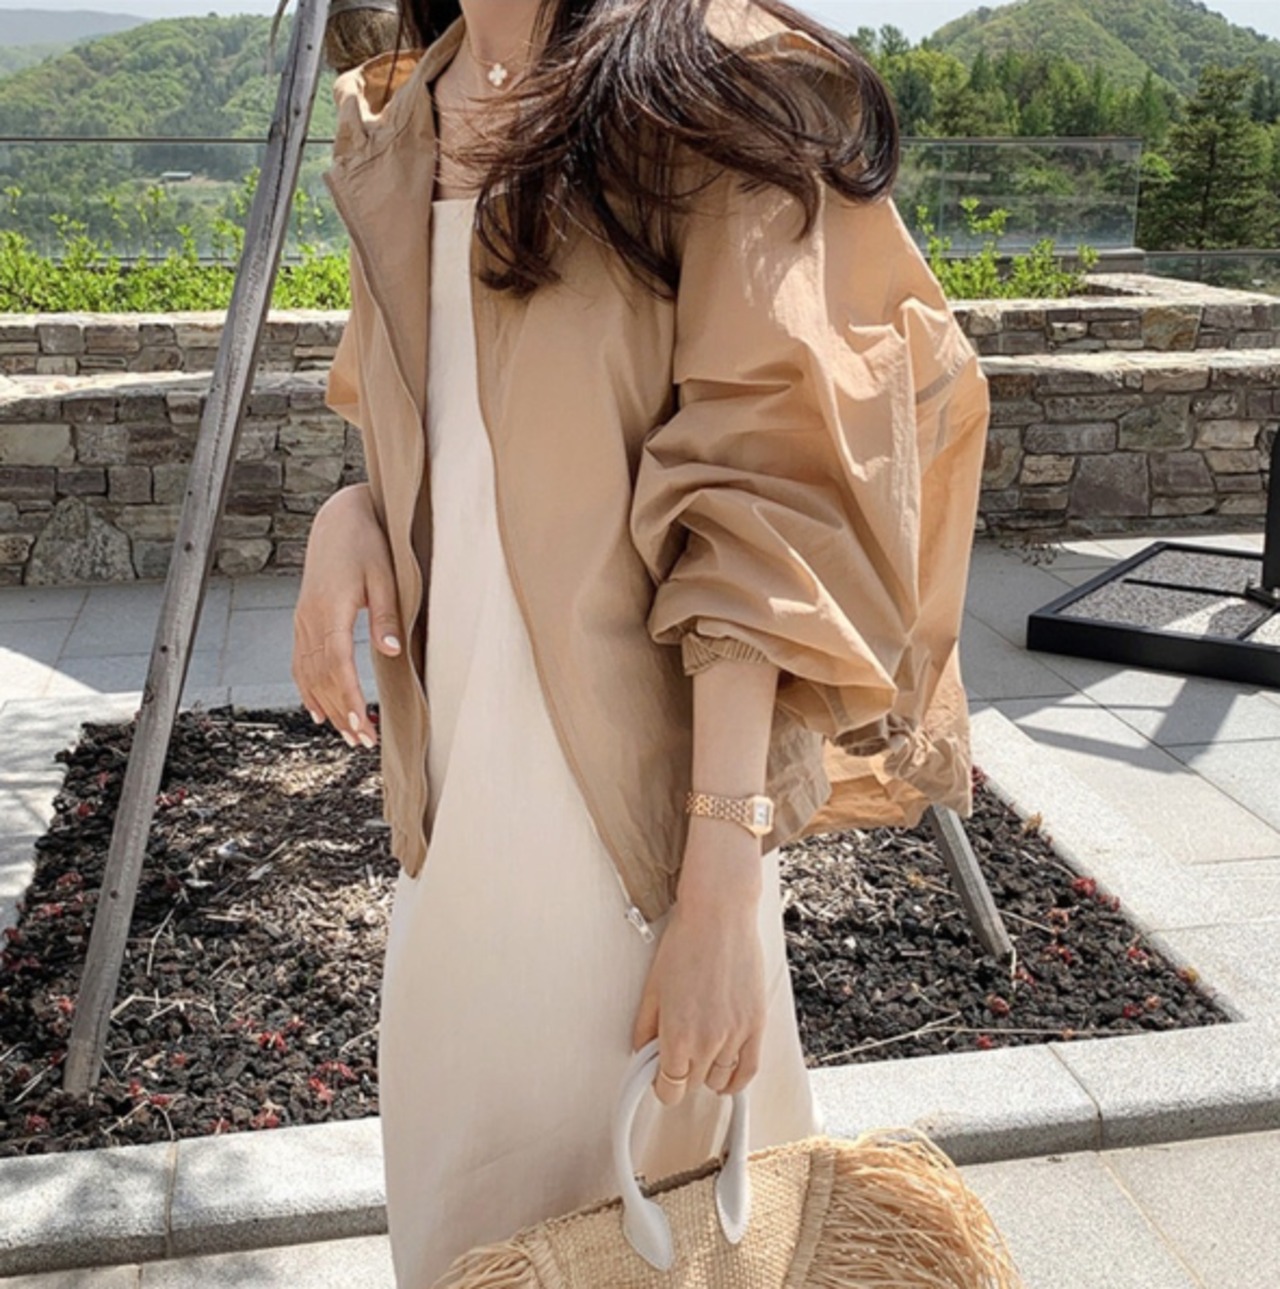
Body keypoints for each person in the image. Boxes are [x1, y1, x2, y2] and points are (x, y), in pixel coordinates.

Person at [291, 0, 990, 1282]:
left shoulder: (698, 86)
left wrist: (716, 891)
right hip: (449, 837)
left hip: (631, 850)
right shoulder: (403, 115)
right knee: (460, 1238)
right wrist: (350, 513)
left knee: (673, 1242)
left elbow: (763, 501)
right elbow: (445, 423)